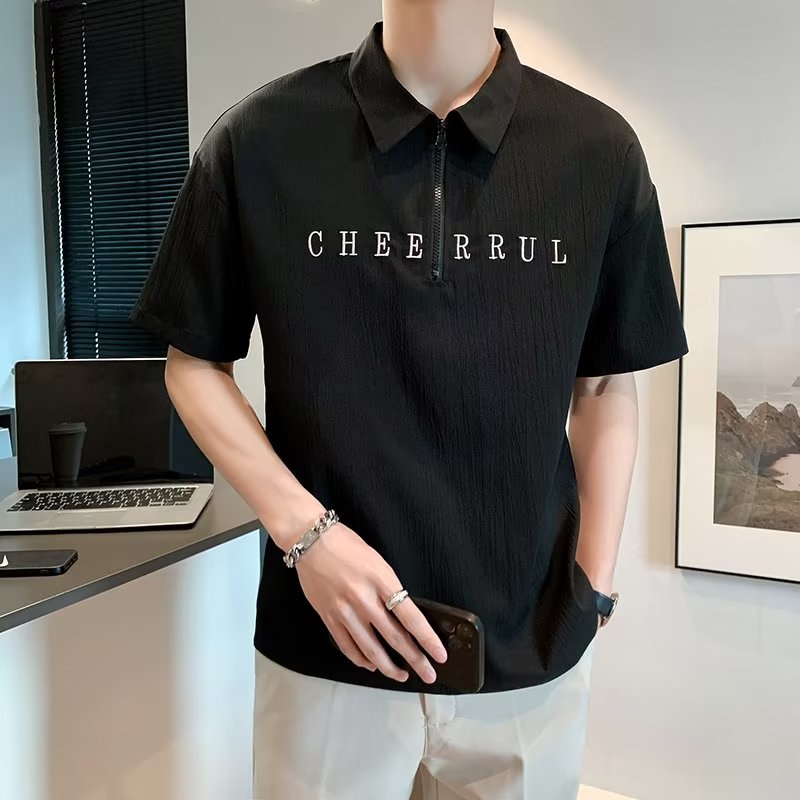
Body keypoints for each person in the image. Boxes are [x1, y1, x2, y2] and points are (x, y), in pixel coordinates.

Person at [130, 1, 688, 797]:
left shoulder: (597, 150)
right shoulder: (261, 138)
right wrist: (307, 534)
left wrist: (590, 591)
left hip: (530, 652)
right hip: (327, 647)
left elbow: (603, 384)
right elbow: (193, 362)